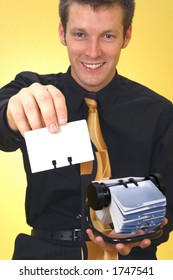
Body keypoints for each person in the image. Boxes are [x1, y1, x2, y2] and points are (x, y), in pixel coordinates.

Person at [0, 0, 173, 260]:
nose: (93, 53)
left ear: (126, 36)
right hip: (41, 259)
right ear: (63, 33)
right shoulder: (31, 90)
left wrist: (148, 233)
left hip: (132, 263)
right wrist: (11, 114)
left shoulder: (159, 112)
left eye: (107, 35)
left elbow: (169, 204)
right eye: (80, 34)